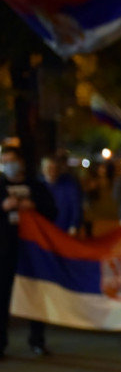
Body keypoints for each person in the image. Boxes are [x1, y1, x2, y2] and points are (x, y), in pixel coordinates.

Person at [1, 146, 57, 358]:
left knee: (35, 295)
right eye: (4, 161)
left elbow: (52, 211)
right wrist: (3, 207)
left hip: (33, 253)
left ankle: (37, 341)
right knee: (3, 298)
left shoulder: (36, 186)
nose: (8, 165)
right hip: (5, 253)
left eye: (11, 160)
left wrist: (33, 206)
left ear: (21, 162)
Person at [40, 156, 83, 235]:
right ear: (43, 169)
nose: (53, 171)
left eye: (55, 168)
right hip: (45, 232)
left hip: (65, 230)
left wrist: (74, 225)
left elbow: (76, 206)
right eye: (49, 168)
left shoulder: (69, 184)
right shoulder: (38, 187)